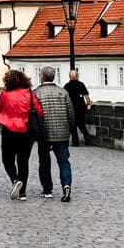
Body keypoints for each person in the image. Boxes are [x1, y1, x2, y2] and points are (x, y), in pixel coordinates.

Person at [0, 69, 43, 200]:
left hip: (9, 130)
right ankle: (23, 192)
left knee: (7, 159)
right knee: (23, 161)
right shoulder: (30, 94)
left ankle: (15, 180)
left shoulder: (5, 94)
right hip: (27, 131)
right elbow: (39, 111)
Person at [34, 66, 75, 202]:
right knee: (63, 161)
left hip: (44, 134)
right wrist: (69, 128)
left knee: (44, 162)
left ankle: (47, 189)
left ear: (42, 77)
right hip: (62, 133)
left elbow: (34, 115)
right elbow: (71, 114)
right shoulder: (63, 92)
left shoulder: (36, 93)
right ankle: (66, 185)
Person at [63, 70, 92, 145]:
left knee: (73, 125)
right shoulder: (81, 84)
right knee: (81, 123)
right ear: (77, 76)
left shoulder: (67, 86)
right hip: (81, 107)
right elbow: (86, 96)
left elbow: (64, 98)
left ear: (69, 77)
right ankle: (86, 135)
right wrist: (88, 104)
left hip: (72, 108)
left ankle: (75, 141)